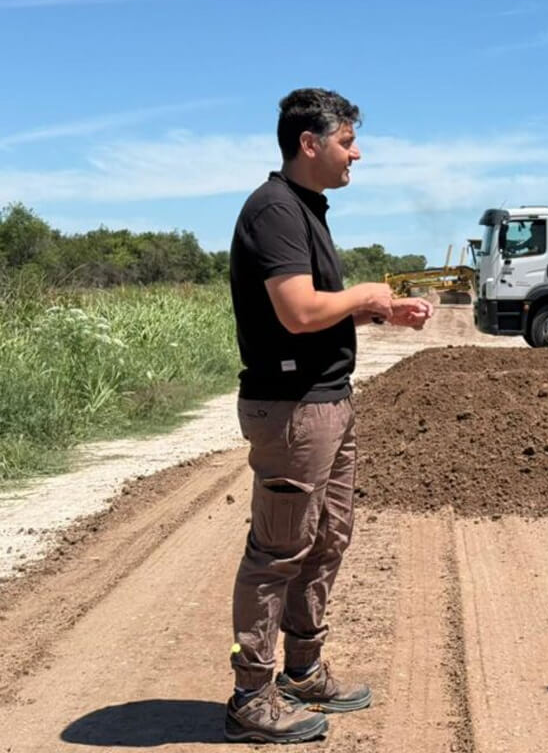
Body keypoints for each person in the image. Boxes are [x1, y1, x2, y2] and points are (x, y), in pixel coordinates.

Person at [224, 88, 433, 744]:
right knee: (277, 553)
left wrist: (377, 311)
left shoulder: (306, 209)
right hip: (291, 409)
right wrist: (367, 293)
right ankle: (249, 697)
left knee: (327, 537)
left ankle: (304, 669)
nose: (357, 152)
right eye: (347, 141)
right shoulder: (274, 211)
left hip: (327, 399)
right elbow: (298, 312)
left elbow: (319, 307)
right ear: (309, 144)